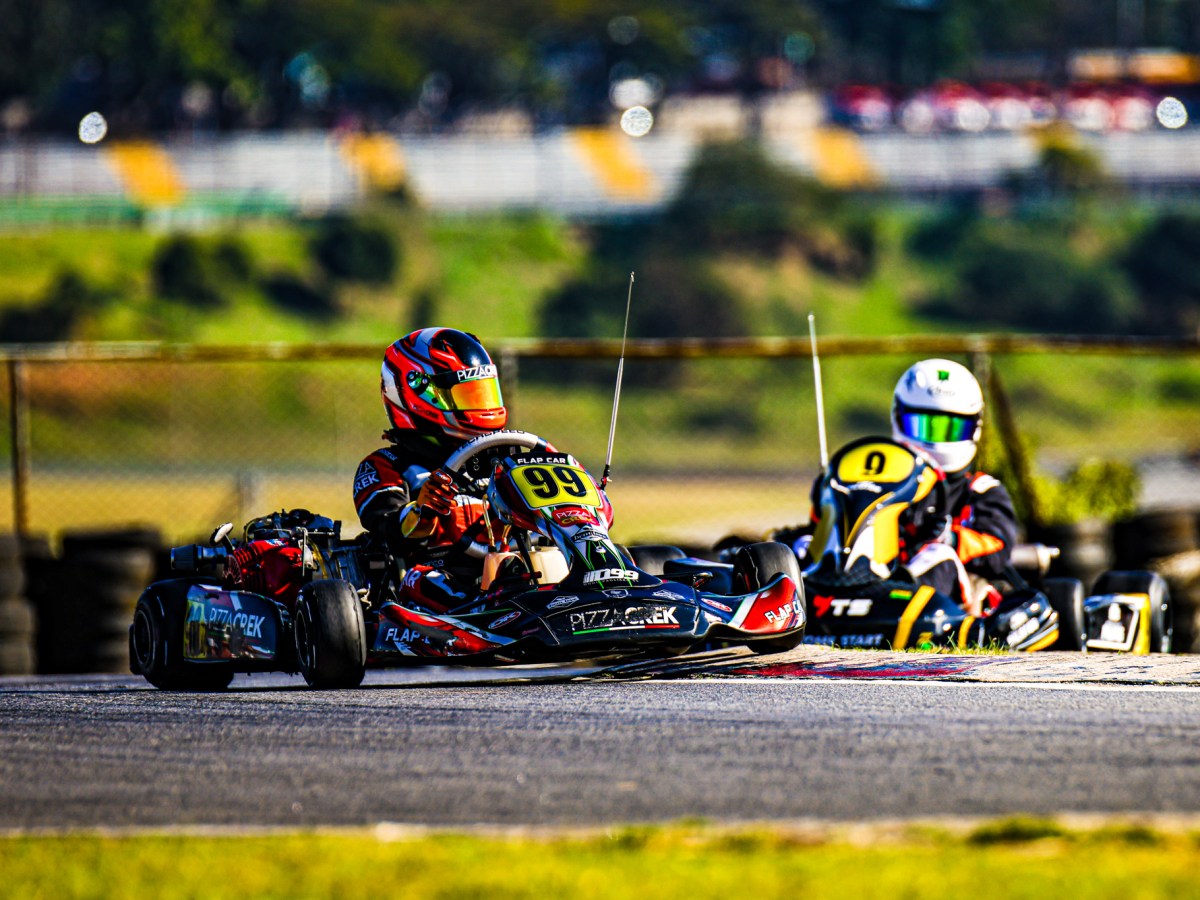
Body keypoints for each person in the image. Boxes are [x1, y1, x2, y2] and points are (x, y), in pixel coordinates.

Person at [352, 327, 510, 612]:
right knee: (422, 580)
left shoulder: (504, 458)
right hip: (432, 583)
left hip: (510, 573)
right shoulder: (386, 465)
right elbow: (390, 530)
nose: (482, 406)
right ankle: (479, 615)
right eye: (468, 395)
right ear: (419, 396)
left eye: (483, 394)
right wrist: (422, 509)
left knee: (550, 559)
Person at [888, 358, 1018, 613]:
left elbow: (997, 545)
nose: (936, 442)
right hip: (881, 572)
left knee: (938, 557)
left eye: (950, 430)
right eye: (924, 426)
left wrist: (949, 538)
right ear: (899, 417)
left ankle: (897, 609)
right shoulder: (885, 485)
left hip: (962, 597)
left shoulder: (981, 490)